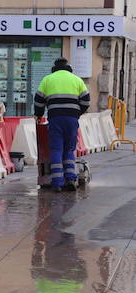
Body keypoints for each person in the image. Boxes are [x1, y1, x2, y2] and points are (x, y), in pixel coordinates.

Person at [34, 57, 90, 193]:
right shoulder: (77, 80)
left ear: (54, 68)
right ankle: (70, 179)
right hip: (71, 119)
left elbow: (38, 101)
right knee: (69, 149)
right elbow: (86, 101)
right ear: (69, 68)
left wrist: (39, 114)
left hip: (55, 118)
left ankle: (57, 183)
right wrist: (77, 113)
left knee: (56, 149)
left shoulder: (47, 79)